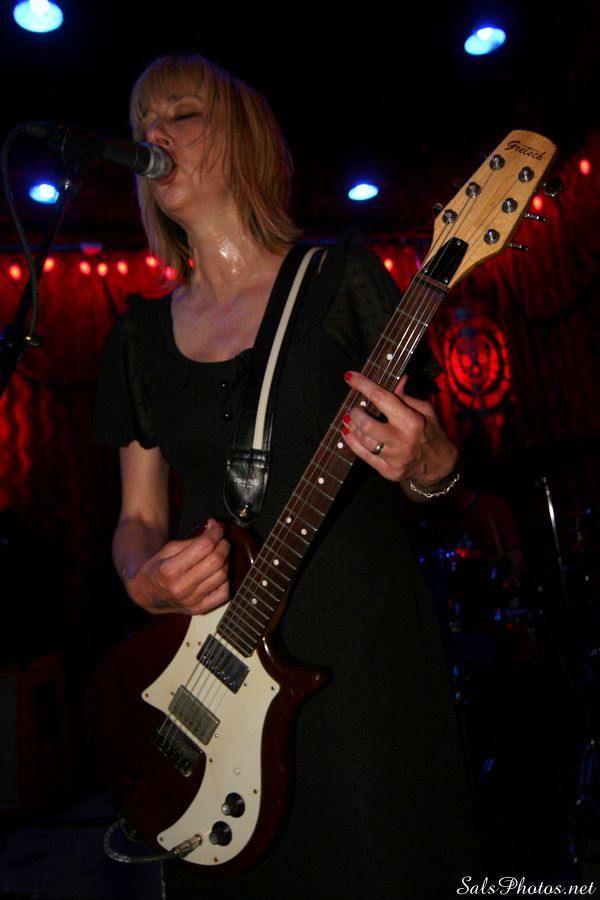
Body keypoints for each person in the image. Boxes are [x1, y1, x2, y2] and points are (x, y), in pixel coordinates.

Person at [92, 53, 482, 899]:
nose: (154, 135)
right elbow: (137, 517)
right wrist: (141, 578)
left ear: (243, 137)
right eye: (143, 124)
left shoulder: (341, 280)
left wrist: (429, 463)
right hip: (212, 678)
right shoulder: (137, 337)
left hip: (359, 653)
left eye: (182, 114)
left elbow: (439, 468)